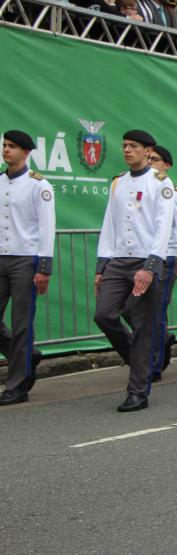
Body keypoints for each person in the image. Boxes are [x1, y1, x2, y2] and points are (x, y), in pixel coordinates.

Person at [94, 130, 176, 412]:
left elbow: (163, 227)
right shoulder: (118, 183)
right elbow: (109, 224)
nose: (127, 150)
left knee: (142, 326)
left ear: (148, 151)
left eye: (134, 146)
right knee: (104, 314)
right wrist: (101, 265)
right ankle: (140, 359)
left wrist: (151, 267)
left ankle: (138, 391)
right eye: (124, 145)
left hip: (145, 260)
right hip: (118, 259)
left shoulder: (160, 182)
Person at [0, 131, 55, 406]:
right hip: (0, 257)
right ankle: (25, 356)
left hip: (25, 259)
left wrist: (44, 266)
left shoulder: (39, 185)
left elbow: (46, 227)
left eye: (12, 147)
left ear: (26, 152)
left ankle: (17, 387)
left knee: (22, 324)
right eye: (4, 146)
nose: (6, 150)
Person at [145, 146, 177, 382]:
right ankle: (161, 338)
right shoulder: (139, 187)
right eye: (149, 159)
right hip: (144, 257)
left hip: (168, 257)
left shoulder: (175, 192)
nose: (151, 163)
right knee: (129, 307)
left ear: (167, 165)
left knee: (156, 309)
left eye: (155, 160)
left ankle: (154, 365)